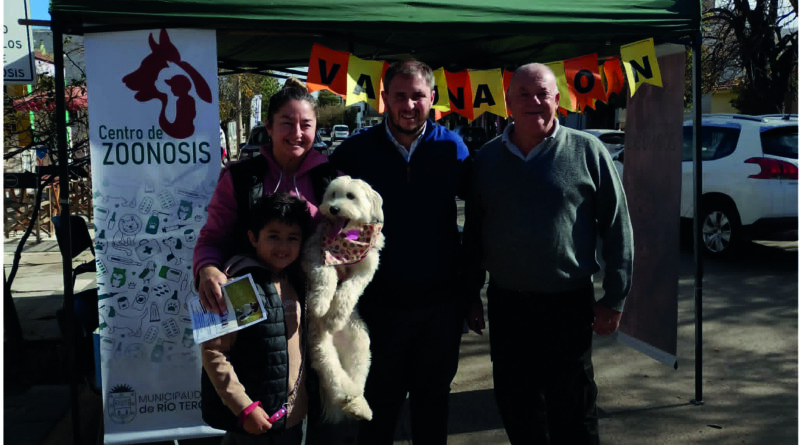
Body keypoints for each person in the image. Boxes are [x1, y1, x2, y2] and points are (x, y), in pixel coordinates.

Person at [462, 63, 634, 444]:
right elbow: (474, 231)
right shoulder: (486, 160)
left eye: (542, 94)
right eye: (523, 94)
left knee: (573, 409)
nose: (534, 102)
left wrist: (616, 296)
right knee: (518, 407)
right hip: (508, 306)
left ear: (559, 100)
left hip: (568, 306)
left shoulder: (588, 151)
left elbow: (617, 225)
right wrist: (470, 293)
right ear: (507, 103)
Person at [329, 59, 484, 445]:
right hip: (379, 308)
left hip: (440, 308)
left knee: (432, 407)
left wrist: (471, 292)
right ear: (384, 99)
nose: (409, 105)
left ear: (432, 98)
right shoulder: (355, 152)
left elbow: (481, 216)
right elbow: (327, 221)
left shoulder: (453, 147)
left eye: (418, 96)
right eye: (400, 96)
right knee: (378, 408)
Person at [194, 78, 337, 316]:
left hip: (317, 311)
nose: (297, 133)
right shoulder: (239, 179)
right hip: (254, 312)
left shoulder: (333, 183)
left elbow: (355, 235)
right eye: (287, 123)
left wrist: (353, 249)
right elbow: (213, 237)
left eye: (306, 125)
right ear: (268, 126)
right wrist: (207, 268)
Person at [201, 192, 311, 444]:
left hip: (292, 421)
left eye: (292, 238)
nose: (283, 247)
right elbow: (214, 352)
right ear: (253, 237)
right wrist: (244, 407)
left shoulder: (295, 280)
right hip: (250, 426)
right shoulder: (241, 285)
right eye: (273, 236)